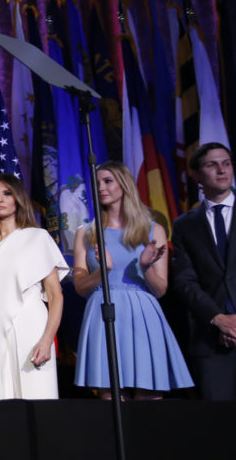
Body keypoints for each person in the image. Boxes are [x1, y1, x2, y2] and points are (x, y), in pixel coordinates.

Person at [73, 162, 193, 398]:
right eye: (97, 183)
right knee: (110, 398)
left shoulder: (153, 230)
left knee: (148, 398)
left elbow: (161, 289)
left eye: (108, 181)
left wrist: (146, 267)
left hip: (142, 316)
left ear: (125, 185)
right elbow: (79, 286)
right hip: (102, 313)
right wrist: (102, 273)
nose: (101, 187)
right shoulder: (86, 232)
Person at [0, 174, 68, 400]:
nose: (0, 199)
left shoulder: (38, 237)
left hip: (32, 326)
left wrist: (47, 339)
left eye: (7, 193)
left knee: (39, 400)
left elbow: (55, 296)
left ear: (18, 199)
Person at [171, 142, 236, 400]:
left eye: (227, 163)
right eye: (212, 165)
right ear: (196, 175)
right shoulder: (185, 225)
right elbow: (185, 281)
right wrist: (219, 319)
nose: (222, 170)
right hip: (211, 341)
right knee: (219, 428)